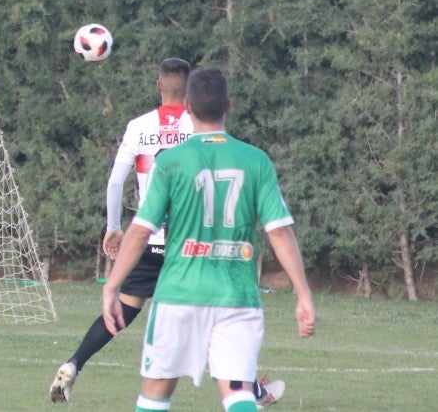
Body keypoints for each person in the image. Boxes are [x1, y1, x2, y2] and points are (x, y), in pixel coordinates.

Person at [50, 58, 284, 407]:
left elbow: (116, 182)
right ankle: (251, 393)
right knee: (221, 314)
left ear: (158, 86)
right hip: (192, 246)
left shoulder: (139, 126)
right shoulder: (201, 127)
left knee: (124, 311)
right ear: (190, 93)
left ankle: (74, 363)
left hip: (148, 239)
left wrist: (114, 228)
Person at [101, 66, 316, 412]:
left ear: (187, 107)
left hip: (178, 295)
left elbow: (140, 232)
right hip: (237, 297)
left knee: (155, 395)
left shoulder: (170, 162)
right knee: (239, 395)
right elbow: (280, 231)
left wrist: (112, 286)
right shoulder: (255, 160)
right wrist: (303, 295)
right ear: (228, 106)